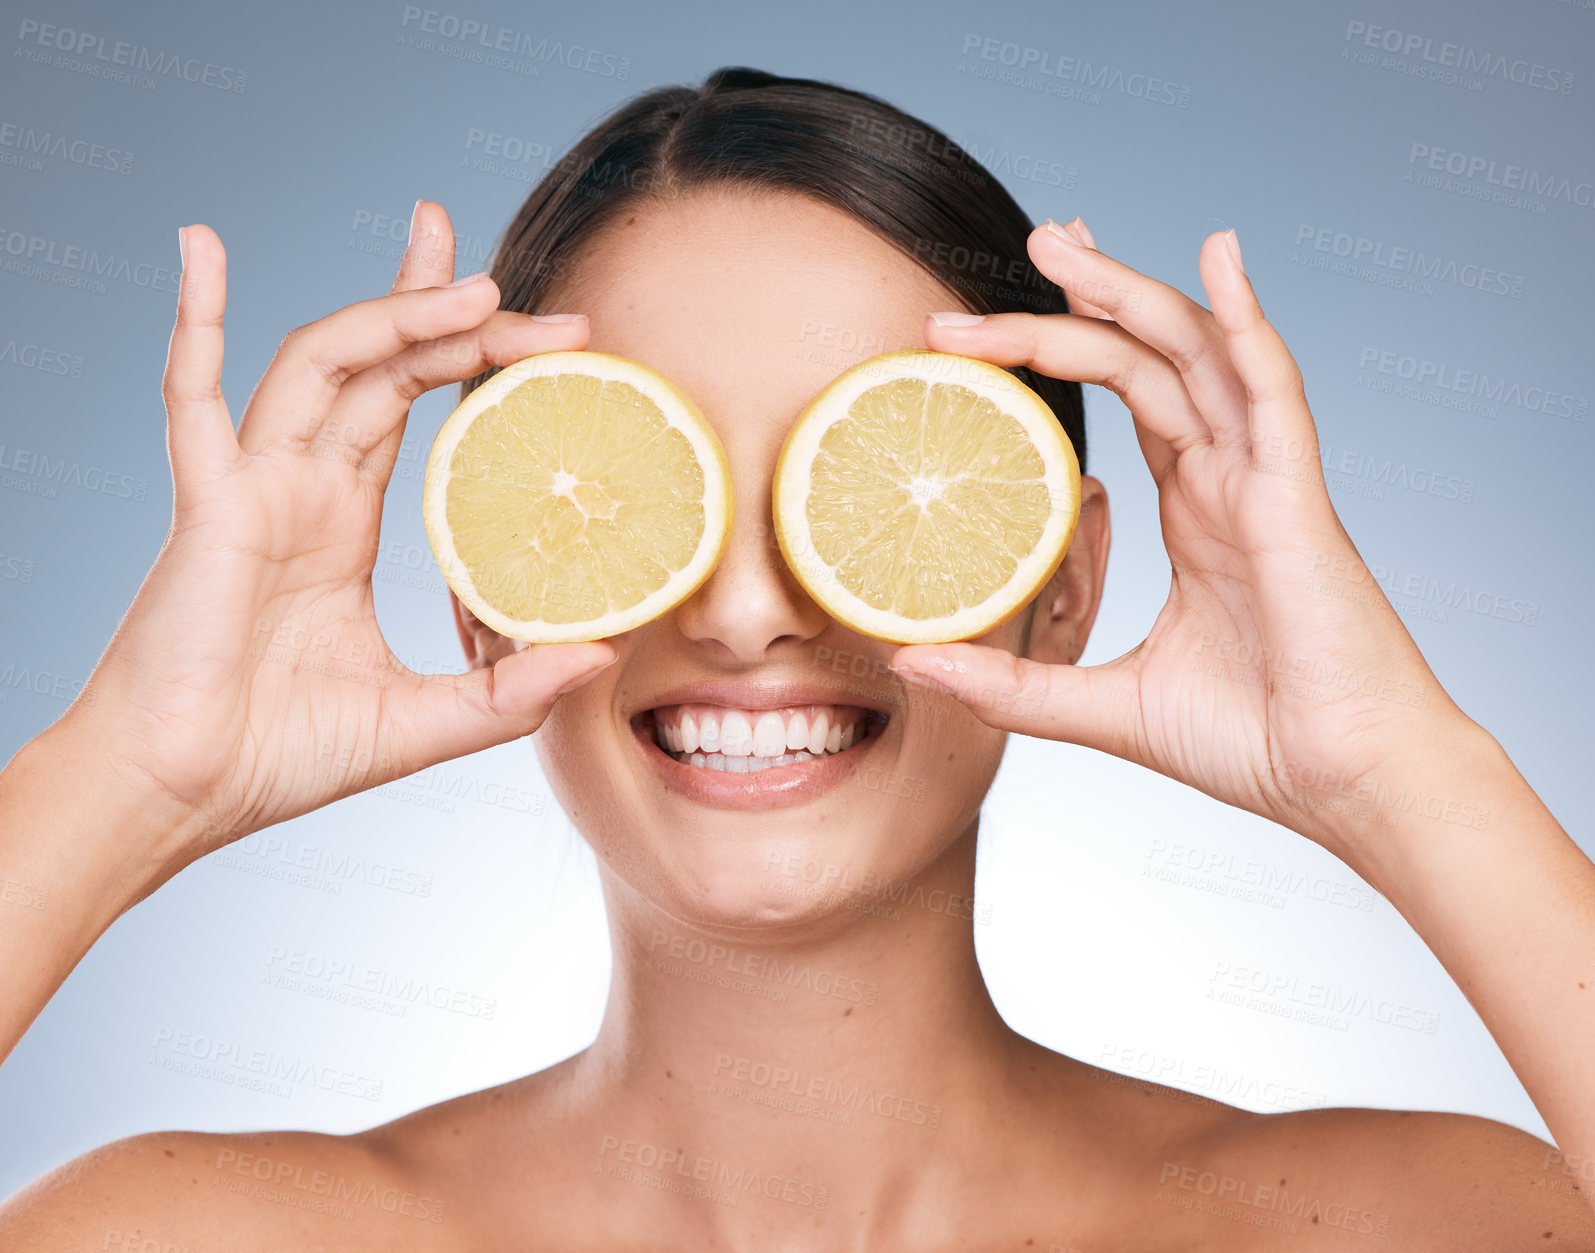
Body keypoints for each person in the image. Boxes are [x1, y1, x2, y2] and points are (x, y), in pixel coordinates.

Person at [2, 65, 1592, 1250]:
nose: (750, 610)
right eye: (642, 494)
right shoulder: (195, 1235)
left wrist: (1403, 770)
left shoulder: (1403, 1223)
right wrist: (130, 774)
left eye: (865, 490)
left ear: (1062, 583)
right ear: (486, 590)